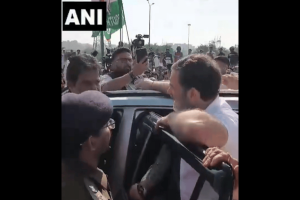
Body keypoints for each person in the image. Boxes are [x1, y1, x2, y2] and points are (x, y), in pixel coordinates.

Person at [132, 54, 238, 200]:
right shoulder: (209, 101)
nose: (169, 92)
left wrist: (171, 118)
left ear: (193, 94)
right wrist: (151, 84)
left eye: (172, 87)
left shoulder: (224, 121)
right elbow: (180, 90)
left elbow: (216, 133)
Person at [62, 90, 114, 200]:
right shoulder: (82, 193)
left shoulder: (70, 170)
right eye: (107, 124)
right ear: (92, 142)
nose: (111, 127)